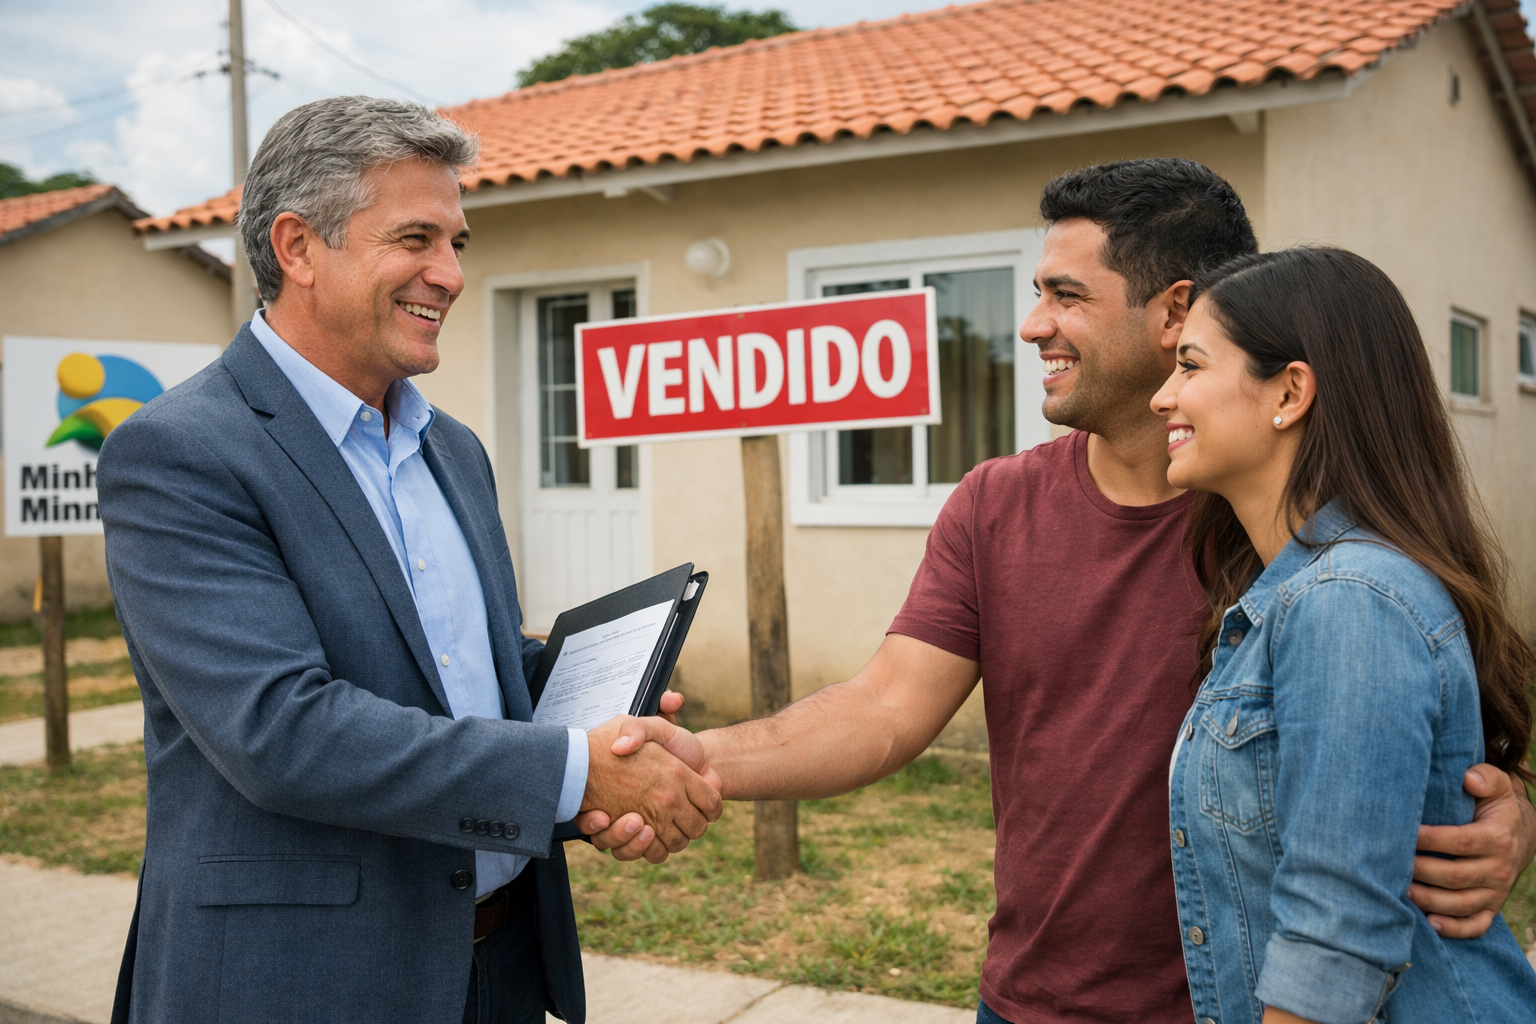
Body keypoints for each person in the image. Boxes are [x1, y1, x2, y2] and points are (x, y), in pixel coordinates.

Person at [591, 160, 1536, 1022]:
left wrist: (1494, 816)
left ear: (1176, 313)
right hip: (1030, 1000)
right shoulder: (995, 504)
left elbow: (1395, 761)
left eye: (1065, 295)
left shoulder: (1279, 534)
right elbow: (882, 709)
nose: (1032, 323)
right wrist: (691, 757)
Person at [98, 96, 719, 1024]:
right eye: (416, 239)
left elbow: (463, 673)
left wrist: (602, 712)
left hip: (499, 967)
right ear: (299, 247)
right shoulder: (180, 452)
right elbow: (281, 731)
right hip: (300, 984)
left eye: (457, 243)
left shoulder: (451, 447)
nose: (450, 274)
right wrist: (572, 769)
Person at [1153, 246, 1536, 1023]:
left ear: (1290, 392)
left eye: (1190, 365)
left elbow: (1336, 941)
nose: (1164, 397)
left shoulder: (1347, 600)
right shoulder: (1301, 590)